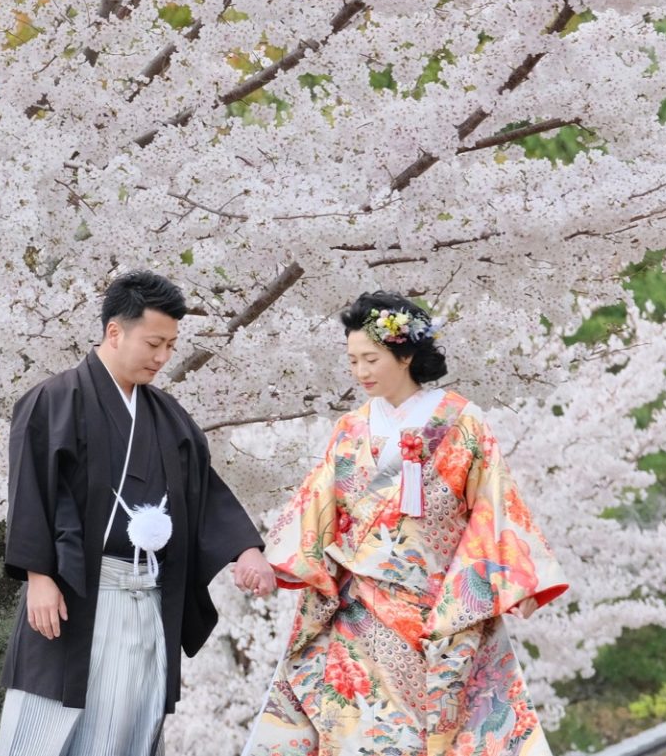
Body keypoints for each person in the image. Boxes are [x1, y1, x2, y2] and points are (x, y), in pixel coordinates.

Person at [241, 291, 570, 756]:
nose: (361, 372)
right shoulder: (351, 428)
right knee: (355, 731)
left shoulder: (461, 421)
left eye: (371, 358)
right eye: (353, 360)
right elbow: (316, 506)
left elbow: (494, 504)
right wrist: (270, 562)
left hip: (440, 608)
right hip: (358, 605)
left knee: (439, 734)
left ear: (406, 354)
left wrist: (517, 581)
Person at [0, 269, 276, 756]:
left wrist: (246, 548)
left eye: (170, 345)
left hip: (146, 597)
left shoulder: (167, 416)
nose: (163, 357)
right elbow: (31, 489)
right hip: (74, 593)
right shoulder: (55, 399)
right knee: (44, 728)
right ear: (114, 331)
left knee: (127, 728)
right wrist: (38, 576)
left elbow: (203, 492)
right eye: (153, 343)